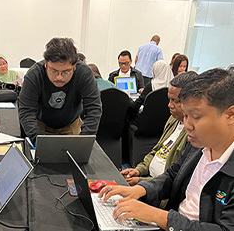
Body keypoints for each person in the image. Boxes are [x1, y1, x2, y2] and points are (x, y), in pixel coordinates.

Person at [99, 68, 234, 230]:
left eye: (196, 117)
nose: (187, 125)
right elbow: (173, 176)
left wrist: (159, 216)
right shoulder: (200, 146)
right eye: (185, 116)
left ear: (230, 115)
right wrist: (140, 189)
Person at [121, 72, 197, 190]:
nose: (169, 105)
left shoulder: (193, 134)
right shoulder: (173, 120)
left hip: (158, 190)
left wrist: (141, 181)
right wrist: (139, 170)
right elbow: (157, 150)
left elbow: (174, 178)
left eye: (175, 101)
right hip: (149, 180)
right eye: (169, 100)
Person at [18, 37, 102, 142]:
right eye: (54, 71)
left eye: (66, 72)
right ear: (46, 64)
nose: (59, 77)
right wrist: (38, 139)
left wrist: (83, 141)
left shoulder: (84, 73)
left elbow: (94, 108)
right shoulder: (34, 75)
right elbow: (26, 111)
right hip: (41, 125)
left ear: (74, 66)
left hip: (71, 124)